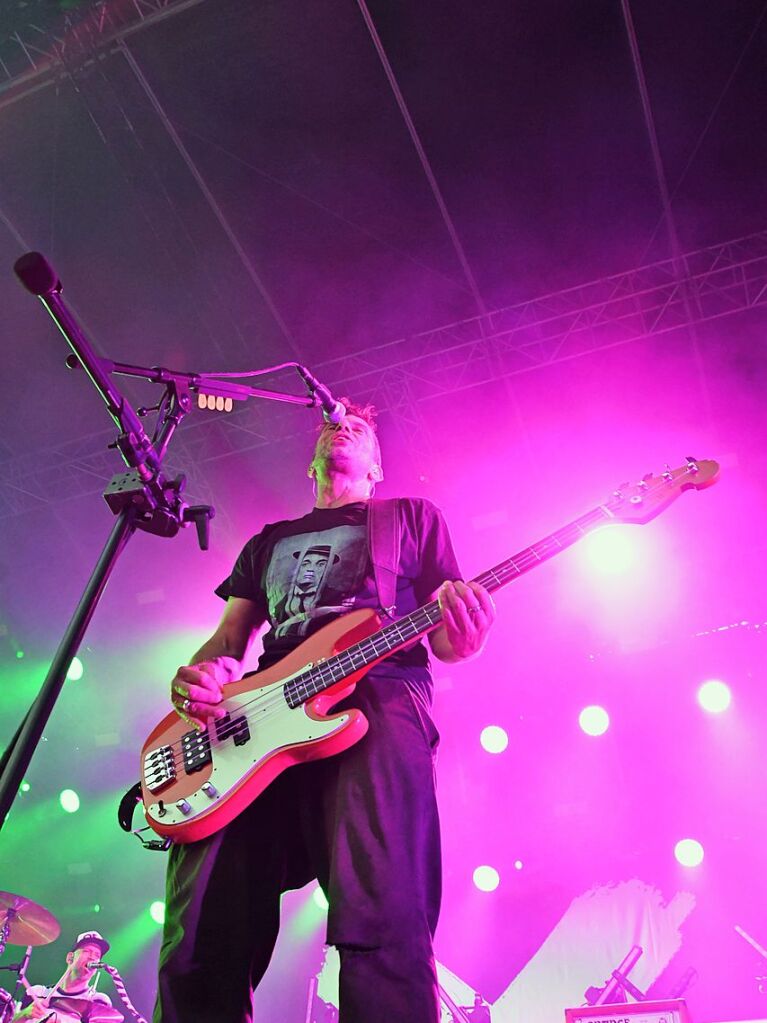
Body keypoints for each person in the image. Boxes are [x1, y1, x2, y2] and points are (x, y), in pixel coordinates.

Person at [154, 401, 496, 1023]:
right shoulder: (268, 541)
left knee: (381, 906)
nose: (344, 427)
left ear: (377, 465)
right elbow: (230, 640)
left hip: (377, 690)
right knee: (203, 913)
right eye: (335, 426)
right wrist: (200, 677)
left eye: (360, 428)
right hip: (261, 710)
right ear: (312, 460)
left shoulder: (411, 518)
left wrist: (465, 638)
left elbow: (445, 638)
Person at [13, 930, 116, 1021]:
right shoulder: (37, 992)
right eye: (87, 951)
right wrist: (24, 1014)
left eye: (97, 955)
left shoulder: (98, 1001)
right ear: (70, 958)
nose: (92, 957)